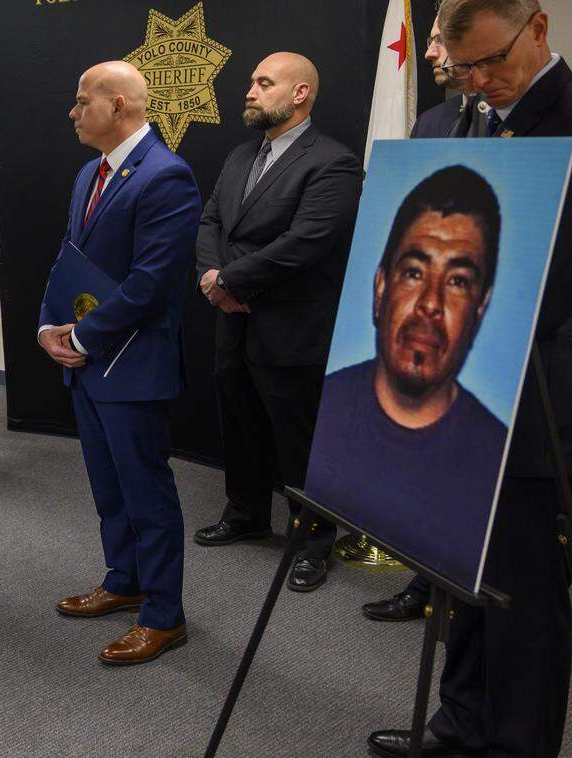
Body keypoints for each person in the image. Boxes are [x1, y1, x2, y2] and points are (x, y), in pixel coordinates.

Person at [367, 1, 572, 756]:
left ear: (539, 28)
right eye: (466, 67)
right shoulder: (440, 125)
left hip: (542, 402)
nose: (479, 81)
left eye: (492, 62)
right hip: (454, 392)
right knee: (463, 575)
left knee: (526, 598)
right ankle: (458, 727)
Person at [38, 61, 200, 665]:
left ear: (121, 106)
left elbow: (151, 283)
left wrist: (81, 338)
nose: (73, 113)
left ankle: (164, 615)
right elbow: (69, 258)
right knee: (109, 487)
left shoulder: (166, 176)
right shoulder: (89, 174)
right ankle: (124, 579)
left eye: (84, 102)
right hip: (88, 361)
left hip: (132, 365)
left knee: (146, 491)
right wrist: (49, 325)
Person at [192, 52, 362, 592]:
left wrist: (229, 281)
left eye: (264, 83)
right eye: (251, 81)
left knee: (298, 438)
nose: (250, 90)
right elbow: (212, 218)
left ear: (300, 94)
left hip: (292, 326)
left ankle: (313, 542)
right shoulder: (242, 154)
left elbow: (305, 244)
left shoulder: (333, 162)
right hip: (234, 320)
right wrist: (210, 277)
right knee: (238, 420)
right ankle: (245, 514)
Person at [308, 165, 508, 587]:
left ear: (481, 308)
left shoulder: (495, 450)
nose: (430, 304)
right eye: (414, 273)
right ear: (381, 288)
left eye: (457, 281)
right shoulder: (328, 407)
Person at [363, 12, 490, 623]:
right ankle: (424, 582)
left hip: (492, 333)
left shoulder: (522, 120)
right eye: (432, 38)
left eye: (440, 39)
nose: (432, 50)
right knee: (427, 462)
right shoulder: (433, 122)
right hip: (424, 325)